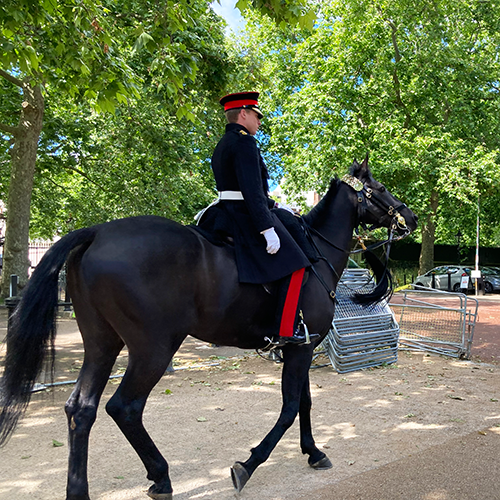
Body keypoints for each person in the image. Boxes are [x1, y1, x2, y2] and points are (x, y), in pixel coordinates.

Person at [202, 91, 317, 345]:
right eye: (256, 115)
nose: (260, 121)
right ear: (243, 114)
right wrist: (267, 228)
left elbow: (240, 188)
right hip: (245, 215)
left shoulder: (224, 143)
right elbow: (251, 191)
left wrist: (277, 204)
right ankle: (286, 329)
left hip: (225, 210)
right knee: (297, 264)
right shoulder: (244, 143)